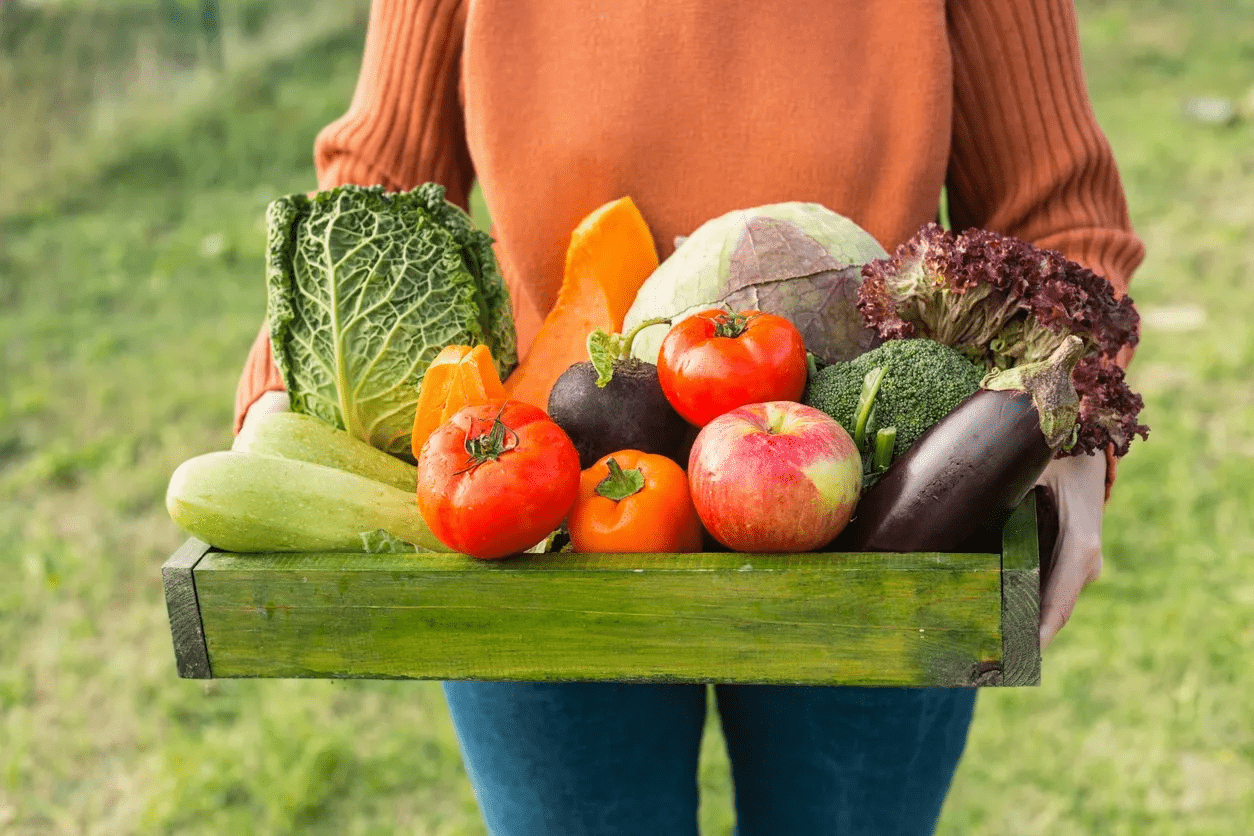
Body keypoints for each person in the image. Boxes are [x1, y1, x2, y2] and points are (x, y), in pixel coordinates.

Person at [235, 1, 1143, 832]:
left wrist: (1066, 413)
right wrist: (296, 378)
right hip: (539, 499)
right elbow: (380, 181)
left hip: (886, 503)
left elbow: (1055, 210)